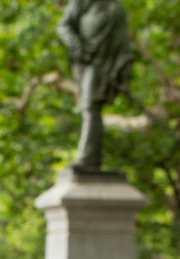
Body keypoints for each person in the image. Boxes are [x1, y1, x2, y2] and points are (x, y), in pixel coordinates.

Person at [56, 0, 133, 170]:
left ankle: (90, 159)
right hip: (86, 62)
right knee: (91, 107)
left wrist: (126, 71)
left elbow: (123, 41)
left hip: (106, 65)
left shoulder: (115, 7)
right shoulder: (82, 2)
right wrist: (77, 45)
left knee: (92, 106)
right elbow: (63, 25)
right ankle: (91, 160)